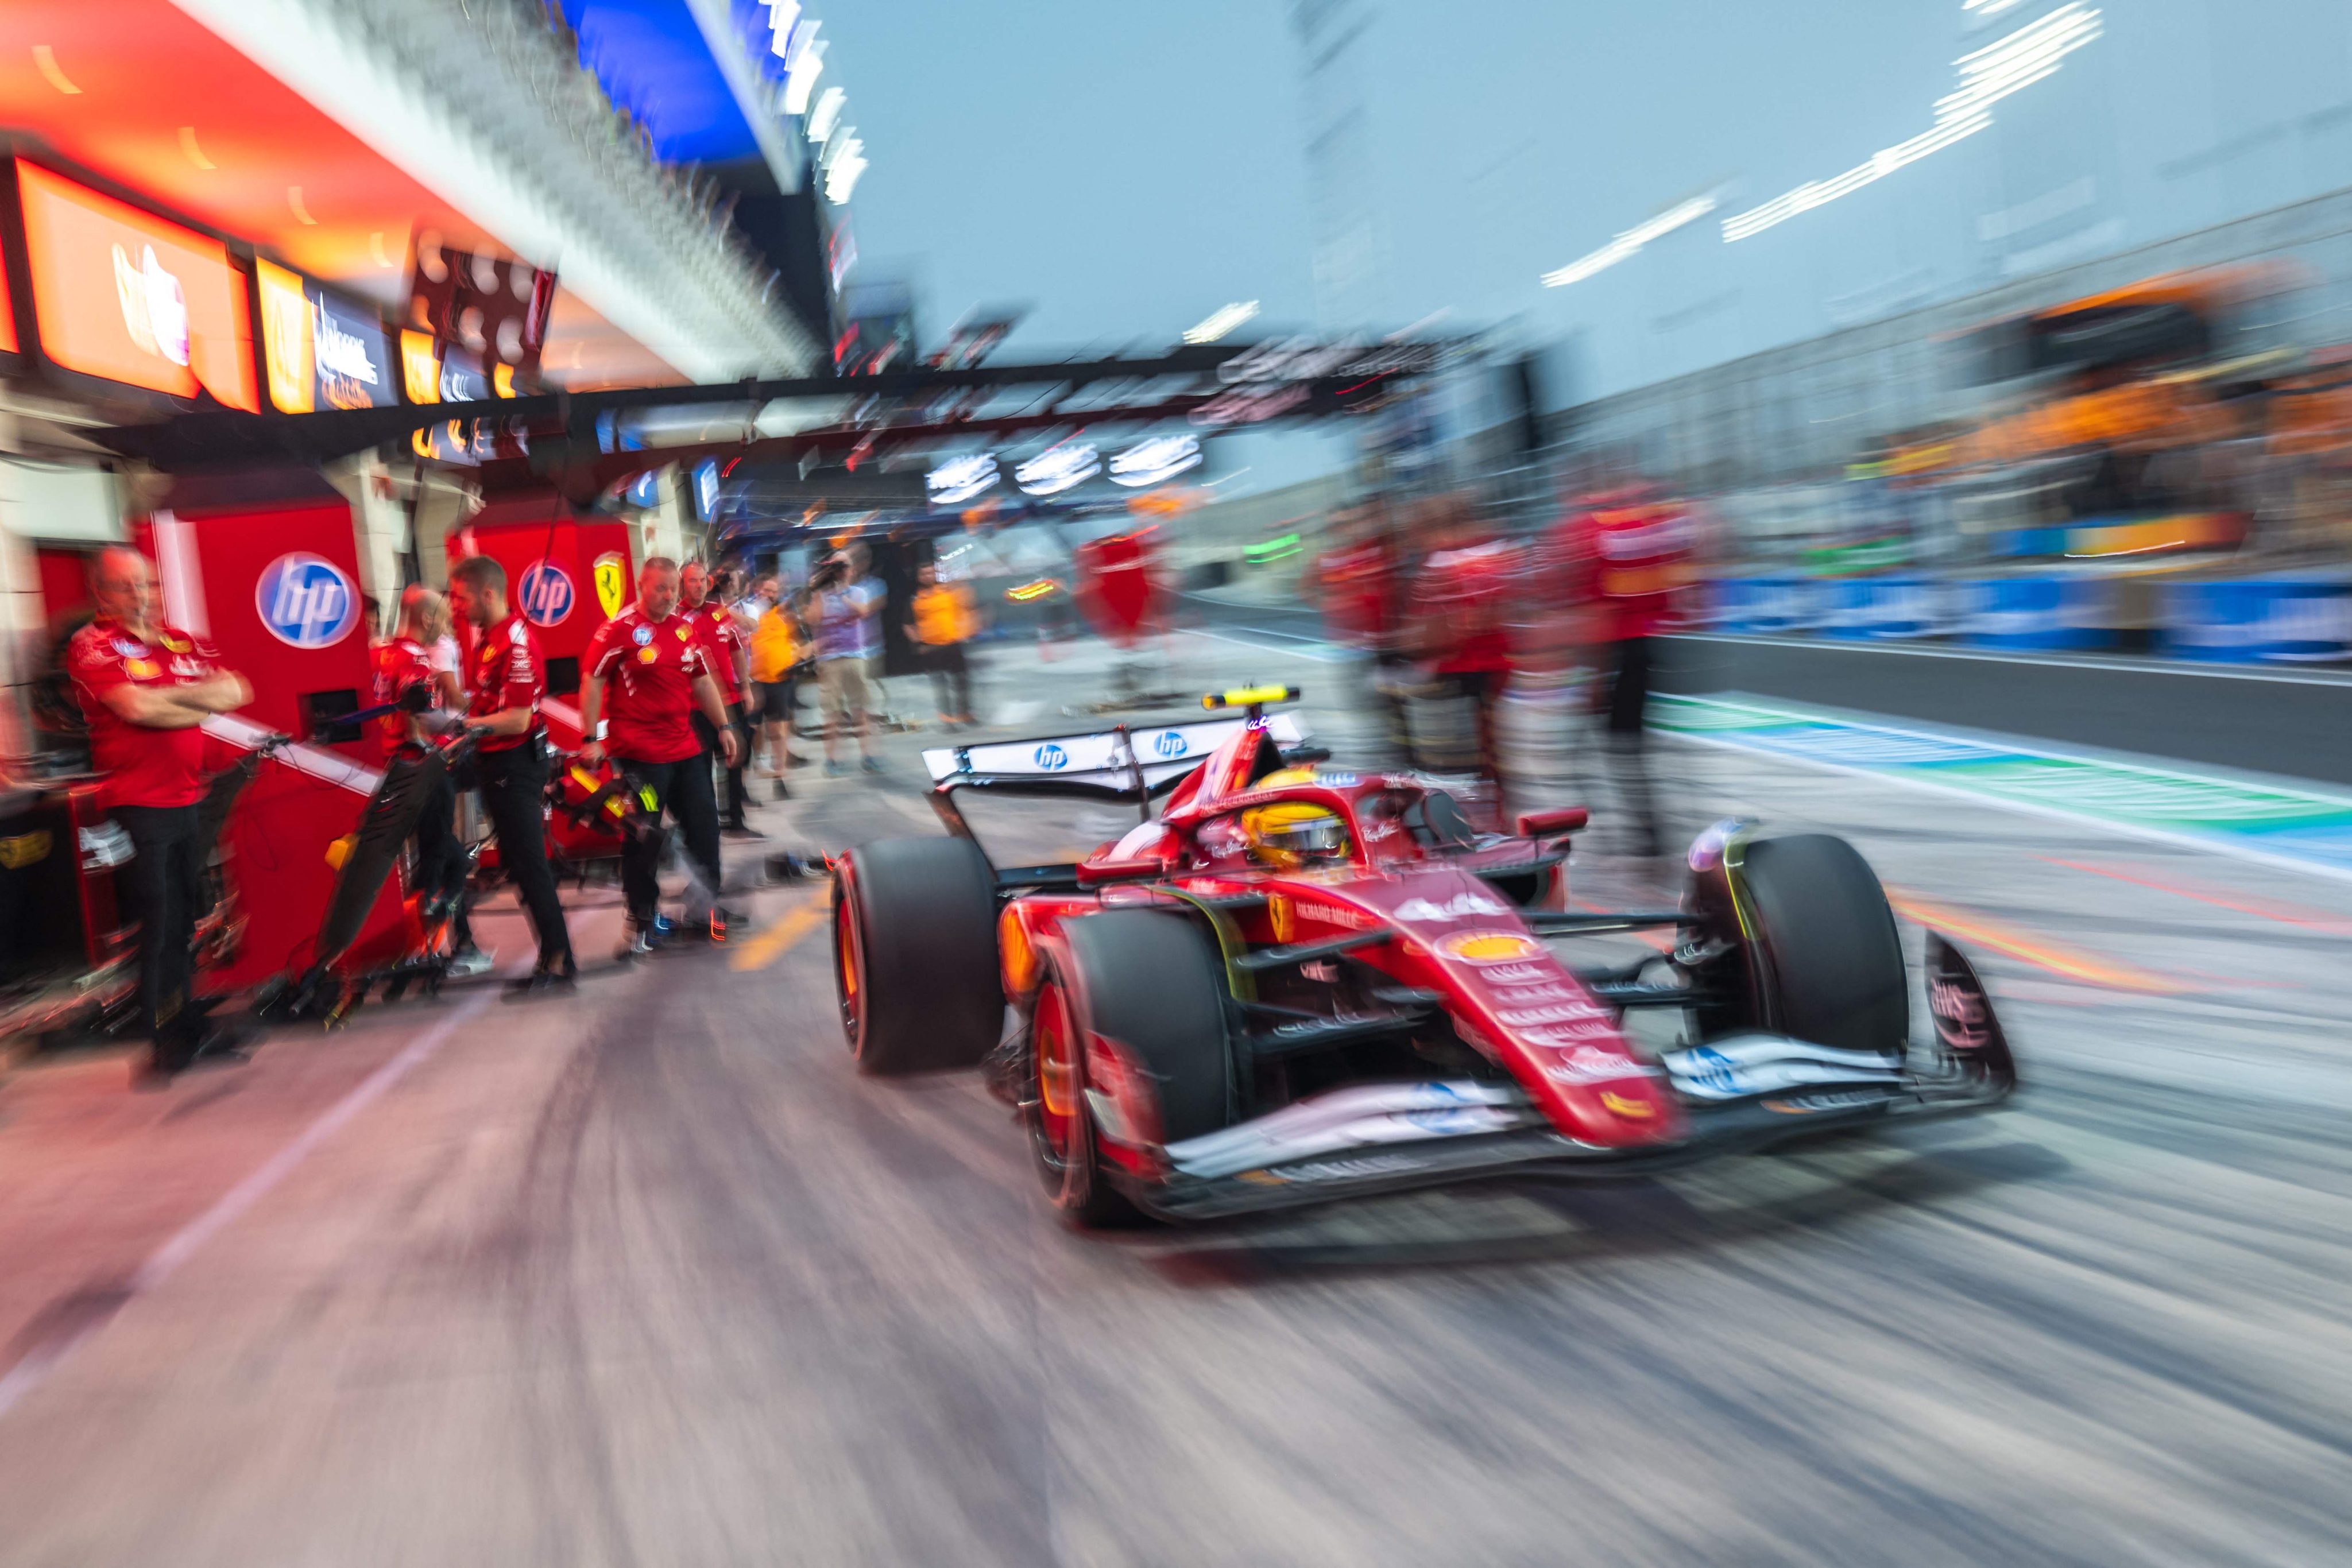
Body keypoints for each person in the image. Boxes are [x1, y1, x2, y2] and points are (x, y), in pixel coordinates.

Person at [66, 545, 254, 1086]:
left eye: (145, 583)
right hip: (138, 805)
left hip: (187, 798)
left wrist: (172, 700)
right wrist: (195, 700)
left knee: (185, 920)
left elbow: (237, 689)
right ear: (100, 591)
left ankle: (185, 1022)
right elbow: (135, 708)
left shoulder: (178, 640)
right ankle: (162, 1039)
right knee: (160, 922)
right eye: (125, 585)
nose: (140, 594)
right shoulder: (93, 644)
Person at [581, 556, 742, 954]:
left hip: (685, 751)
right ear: (642, 585)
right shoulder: (618, 629)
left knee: (705, 826)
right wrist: (590, 737)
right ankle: (642, 920)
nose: (670, 595)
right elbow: (592, 679)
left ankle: (705, 908)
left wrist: (724, 726)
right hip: (642, 759)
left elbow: (702, 681)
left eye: (674, 589)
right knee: (646, 837)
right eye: (661, 588)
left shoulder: (683, 629)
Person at [447, 555, 578, 993]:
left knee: (530, 865)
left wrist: (466, 726)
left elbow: (519, 719)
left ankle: (559, 960)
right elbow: (489, 702)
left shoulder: (515, 643)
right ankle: (553, 956)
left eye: (461, 597)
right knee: (520, 865)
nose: (456, 606)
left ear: (487, 594)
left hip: (515, 764)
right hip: (496, 763)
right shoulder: (489, 639)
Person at [1550, 481, 1696, 858]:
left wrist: (1594, 681)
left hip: (1617, 653)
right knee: (1625, 746)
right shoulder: (1645, 528)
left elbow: (1599, 612)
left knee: (1616, 748)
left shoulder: (1595, 535)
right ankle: (1643, 830)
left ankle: (1643, 832)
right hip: (1646, 646)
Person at [373, 586, 490, 979]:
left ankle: (441, 942)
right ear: (426, 618)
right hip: (421, 770)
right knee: (446, 858)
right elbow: (419, 717)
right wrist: (456, 733)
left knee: (440, 856)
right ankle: (436, 941)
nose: (445, 626)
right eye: (441, 617)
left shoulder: (381, 653)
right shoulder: (416, 658)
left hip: (394, 772)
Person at [811, 544, 886, 775]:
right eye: (836, 566)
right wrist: (821, 588)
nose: (841, 570)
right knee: (832, 712)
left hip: (855, 656)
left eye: (844, 566)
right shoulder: (821, 595)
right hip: (829, 659)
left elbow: (862, 611)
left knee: (860, 709)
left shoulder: (858, 592)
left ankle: (868, 756)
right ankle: (831, 760)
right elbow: (813, 619)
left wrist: (843, 594)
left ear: (851, 569)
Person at [746, 574, 804, 796]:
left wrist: (796, 660)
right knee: (751, 731)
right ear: (758, 590)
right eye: (767, 590)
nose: (771, 595)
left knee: (778, 731)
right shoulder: (750, 613)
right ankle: (747, 781)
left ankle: (780, 779)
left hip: (780, 680)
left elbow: (798, 642)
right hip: (755, 682)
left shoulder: (784, 615)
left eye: (774, 591)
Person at [905, 560, 980, 726]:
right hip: (931, 647)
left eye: (931, 573)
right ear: (919, 577)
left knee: (961, 681)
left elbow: (966, 607)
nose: (928, 576)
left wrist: (968, 628)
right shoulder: (916, 600)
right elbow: (908, 624)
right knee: (941, 685)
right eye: (924, 574)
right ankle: (947, 718)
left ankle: (965, 714)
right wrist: (917, 642)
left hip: (952, 643)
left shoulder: (949, 593)